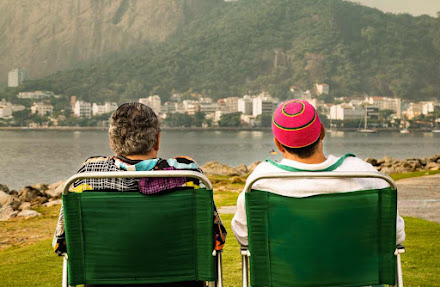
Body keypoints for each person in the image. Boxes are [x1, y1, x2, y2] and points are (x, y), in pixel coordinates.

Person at [53, 102, 226, 287]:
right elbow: (217, 239)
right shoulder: (188, 174)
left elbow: (62, 244)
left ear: (111, 141)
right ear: (157, 140)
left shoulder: (87, 177)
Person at [231, 99, 405, 246]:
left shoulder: (261, 180)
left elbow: (244, 236)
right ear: (322, 132)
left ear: (278, 144)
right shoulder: (364, 174)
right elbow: (395, 234)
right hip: (360, 279)